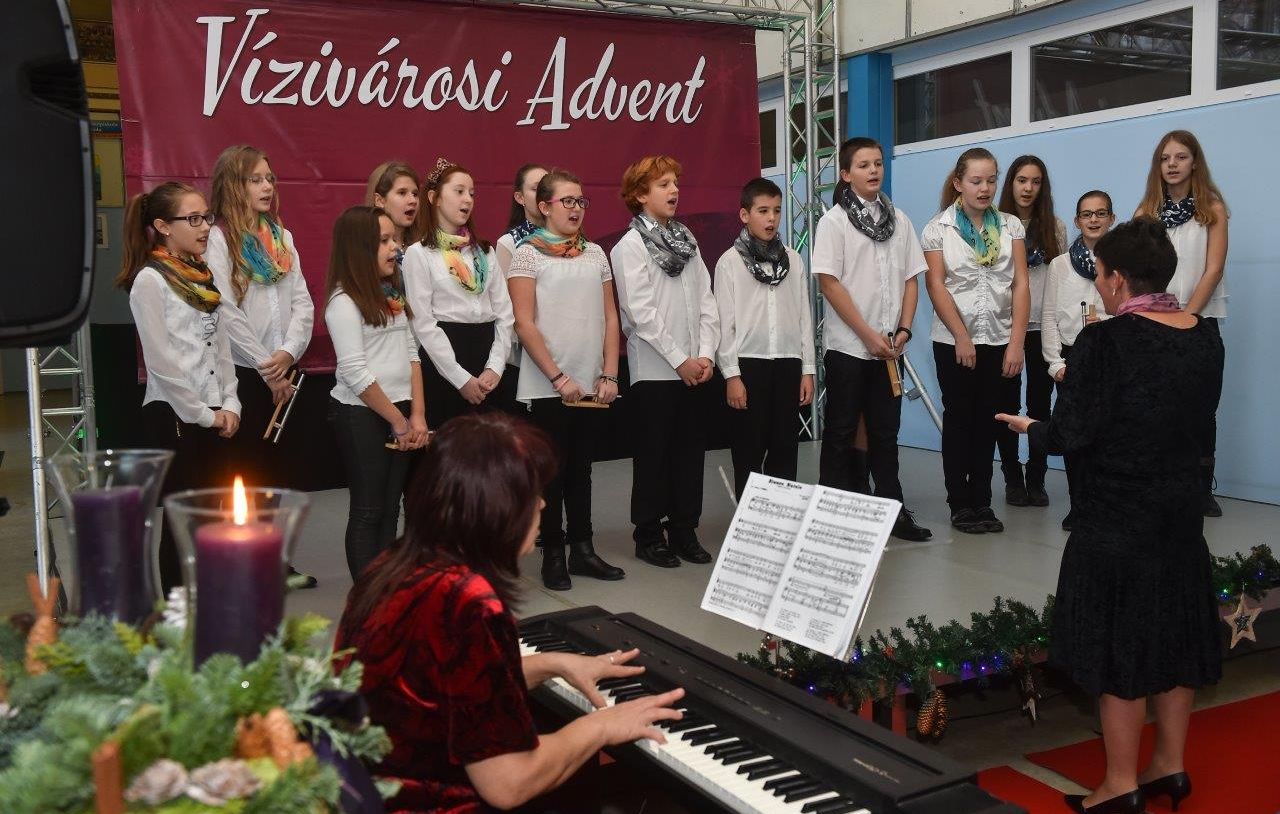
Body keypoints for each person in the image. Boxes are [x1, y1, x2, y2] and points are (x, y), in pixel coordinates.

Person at [335, 413, 685, 813]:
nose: (542, 504)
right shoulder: (468, 602)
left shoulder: (394, 565)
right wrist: (602, 726)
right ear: (496, 507)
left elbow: (447, 686)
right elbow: (509, 783)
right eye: (531, 493)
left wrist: (552, 663)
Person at [998, 218, 1224, 814]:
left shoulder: (1105, 342)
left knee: (1121, 645)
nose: (1098, 284)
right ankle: (1170, 764)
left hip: (1118, 518)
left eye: (1099, 274)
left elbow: (1072, 433)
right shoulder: (1205, 336)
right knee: (1175, 633)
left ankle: (1121, 783)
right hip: (1180, 513)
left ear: (1118, 279)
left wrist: (1033, 428)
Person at [116, 182, 240, 589]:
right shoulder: (150, 281)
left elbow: (221, 346)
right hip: (175, 413)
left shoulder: (203, 275)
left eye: (207, 217)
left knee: (216, 514)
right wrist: (204, 415)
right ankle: (177, 609)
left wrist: (231, 402)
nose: (205, 227)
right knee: (182, 520)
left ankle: (212, 600)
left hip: (215, 410)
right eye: (193, 219)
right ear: (163, 226)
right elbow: (161, 363)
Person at [508, 169, 625, 591]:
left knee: (582, 469)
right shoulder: (527, 254)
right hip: (548, 385)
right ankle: (553, 553)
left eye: (581, 201)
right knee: (551, 474)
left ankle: (583, 549)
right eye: (567, 201)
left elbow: (610, 317)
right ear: (544, 206)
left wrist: (609, 373)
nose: (576, 209)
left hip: (591, 383)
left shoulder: (595, 253)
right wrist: (558, 378)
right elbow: (524, 323)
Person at [207, 145, 317, 587]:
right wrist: (265, 367)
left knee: (274, 473)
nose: (267, 186)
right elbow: (225, 309)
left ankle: (270, 562)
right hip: (242, 374)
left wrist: (287, 354)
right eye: (255, 179)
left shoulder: (282, 238)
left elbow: (303, 303)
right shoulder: (219, 239)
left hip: (282, 370)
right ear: (234, 186)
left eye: (269, 178)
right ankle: (237, 565)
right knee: (242, 473)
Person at [813, 138, 932, 542]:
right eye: (863, 165)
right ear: (846, 174)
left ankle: (891, 511)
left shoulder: (900, 220)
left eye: (878, 163)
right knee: (841, 430)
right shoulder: (833, 222)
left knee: (885, 432)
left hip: (890, 348)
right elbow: (829, 283)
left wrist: (905, 329)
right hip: (848, 347)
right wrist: (867, 335)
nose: (873, 170)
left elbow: (912, 279)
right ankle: (830, 517)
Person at [610, 156, 720, 568]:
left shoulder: (687, 239)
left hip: (695, 367)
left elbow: (706, 299)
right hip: (656, 370)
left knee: (690, 454)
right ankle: (649, 535)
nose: (674, 191)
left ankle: (685, 530)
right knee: (654, 455)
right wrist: (679, 360)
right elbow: (640, 313)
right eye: (663, 185)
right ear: (640, 195)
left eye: (675, 183)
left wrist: (705, 354)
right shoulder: (629, 246)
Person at [923, 148, 1030, 535]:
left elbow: (1020, 284)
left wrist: (1016, 343)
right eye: (976, 181)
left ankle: (983, 501)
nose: (985, 189)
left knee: (989, 421)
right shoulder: (938, 228)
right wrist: (961, 336)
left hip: (999, 338)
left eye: (991, 180)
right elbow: (936, 285)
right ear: (959, 183)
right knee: (959, 420)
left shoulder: (1011, 226)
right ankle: (959, 503)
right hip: (954, 340)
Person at [324, 206, 429, 581]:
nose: (395, 247)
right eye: (384, 241)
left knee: (390, 508)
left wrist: (417, 415)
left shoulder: (392, 294)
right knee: (368, 510)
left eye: (394, 239)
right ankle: (367, 598)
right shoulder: (343, 302)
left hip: (399, 413)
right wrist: (399, 421)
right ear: (359, 248)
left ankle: (387, 588)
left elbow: (413, 353)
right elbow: (355, 372)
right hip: (362, 415)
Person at [1134, 130, 1229, 517]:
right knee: (1155, 407)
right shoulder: (1145, 213)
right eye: (1165, 158)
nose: (1172, 164)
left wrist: (1189, 316)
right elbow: (1137, 271)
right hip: (1154, 323)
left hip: (1199, 321)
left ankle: (1201, 489)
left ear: (1194, 163)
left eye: (1181, 157)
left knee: (1201, 410)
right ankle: (1159, 484)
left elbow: (1214, 268)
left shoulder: (1212, 209)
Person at [714, 177, 814, 500]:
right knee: (748, 449)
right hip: (748, 365)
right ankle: (750, 518)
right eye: (763, 211)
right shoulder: (729, 262)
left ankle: (781, 513)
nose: (771, 218)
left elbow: (803, 316)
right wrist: (732, 375)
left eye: (777, 210)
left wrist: (808, 369)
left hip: (787, 363)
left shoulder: (793, 260)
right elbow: (724, 325)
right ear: (745, 215)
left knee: (785, 448)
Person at [403, 159, 516, 429]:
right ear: (435, 198)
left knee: (490, 446)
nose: (468, 199)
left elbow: (505, 314)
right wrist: (460, 378)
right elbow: (423, 324)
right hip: (445, 362)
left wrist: (495, 367)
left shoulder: (484, 252)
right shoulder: (419, 253)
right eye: (459, 191)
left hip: (487, 359)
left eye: (472, 193)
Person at [996, 156, 1067, 507]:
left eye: (1035, 182)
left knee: (1040, 404)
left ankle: (1036, 478)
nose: (1028, 188)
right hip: (1005, 328)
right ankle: (1012, 478)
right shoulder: (996, 225)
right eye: (1021, 180)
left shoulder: (1055, 227)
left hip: (1043, 326)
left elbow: (1063, 279)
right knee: (1006, 403)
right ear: (1010, 183)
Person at [1041, 191, 1113, 530]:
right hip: (1071, 360)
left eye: (1101, 213)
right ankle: (1079, 504)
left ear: (1112, 219)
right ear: (1077, 221)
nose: (1094, 220)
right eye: (1087, 214)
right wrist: (1055, 363)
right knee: (1074, 434)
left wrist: (1107, 322)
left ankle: (1105, 505)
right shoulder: (1060, 265)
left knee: (1107, 435)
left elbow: (1130, 309)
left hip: (1109, 357)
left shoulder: (1121, 262)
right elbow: (1049, 316)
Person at [496, 163, 550, 383]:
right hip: (524, 356)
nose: (543, 194)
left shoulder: (574, 243)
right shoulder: (509, 243)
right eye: (536, 189)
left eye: (548, 187)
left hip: (568, 349)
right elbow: (505, 309)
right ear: (520, 197)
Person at [365, 160, 425, 247]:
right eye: (402, 193)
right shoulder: (365, 246)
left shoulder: (424, 245)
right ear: (379, 200)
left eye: (415, 194)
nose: (413, 200)